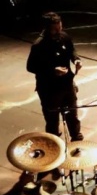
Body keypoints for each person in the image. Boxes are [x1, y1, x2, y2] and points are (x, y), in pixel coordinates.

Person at [26, 12, 83, 140]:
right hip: (49, 88)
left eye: (60, 27)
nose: (59, 31)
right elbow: (30, 67)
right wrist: (52, 70)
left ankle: (76, 138)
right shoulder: (38, 45)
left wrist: (76, 59)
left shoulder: (64, 37)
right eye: (55, 29)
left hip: (67, 84)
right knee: (52, 119)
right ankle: (54, 143)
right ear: (47, 29)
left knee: (72, 114)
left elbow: (72, 50)